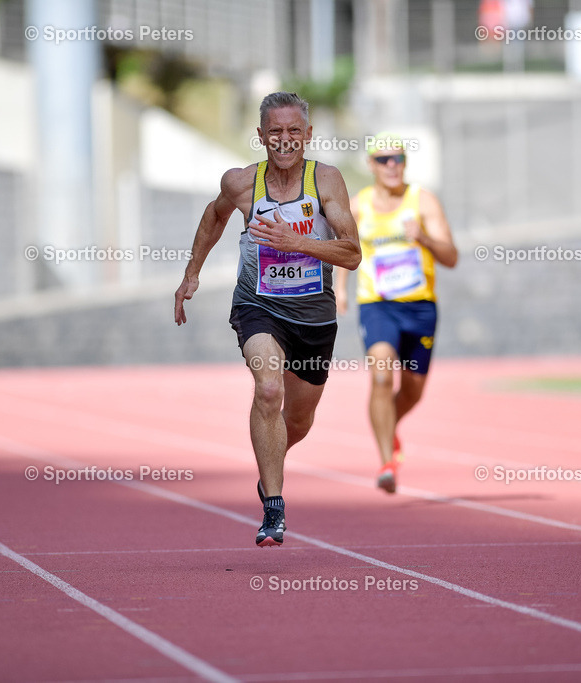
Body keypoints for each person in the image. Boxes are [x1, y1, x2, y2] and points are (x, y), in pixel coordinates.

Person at [174, 92, 361, 546]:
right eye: (275, 131)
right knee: (268, 388)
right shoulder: (241, 183)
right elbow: (213, 219)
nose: (284, 140)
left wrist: (297, 243)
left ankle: (269, 465)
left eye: (293, 131)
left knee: (298, 421)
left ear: (308, 135)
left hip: (314, 315)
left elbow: (352, 254)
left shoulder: (327, 181)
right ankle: (273, 507)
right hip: (258, 305)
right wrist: (191, 275)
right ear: (260, 136)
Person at [334, 135, 457, 494]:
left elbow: (451, 257)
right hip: (378, 305)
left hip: (420, 308)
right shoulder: (358, 206)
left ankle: (389, 426)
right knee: (382, 377)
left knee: (413, 391)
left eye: (398, 158)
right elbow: (346, 250)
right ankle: (387, 462)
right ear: (371, 164)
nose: (392, 165)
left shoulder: (422, 201)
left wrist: (425, 240)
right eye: (383, 159)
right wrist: (341, 288)